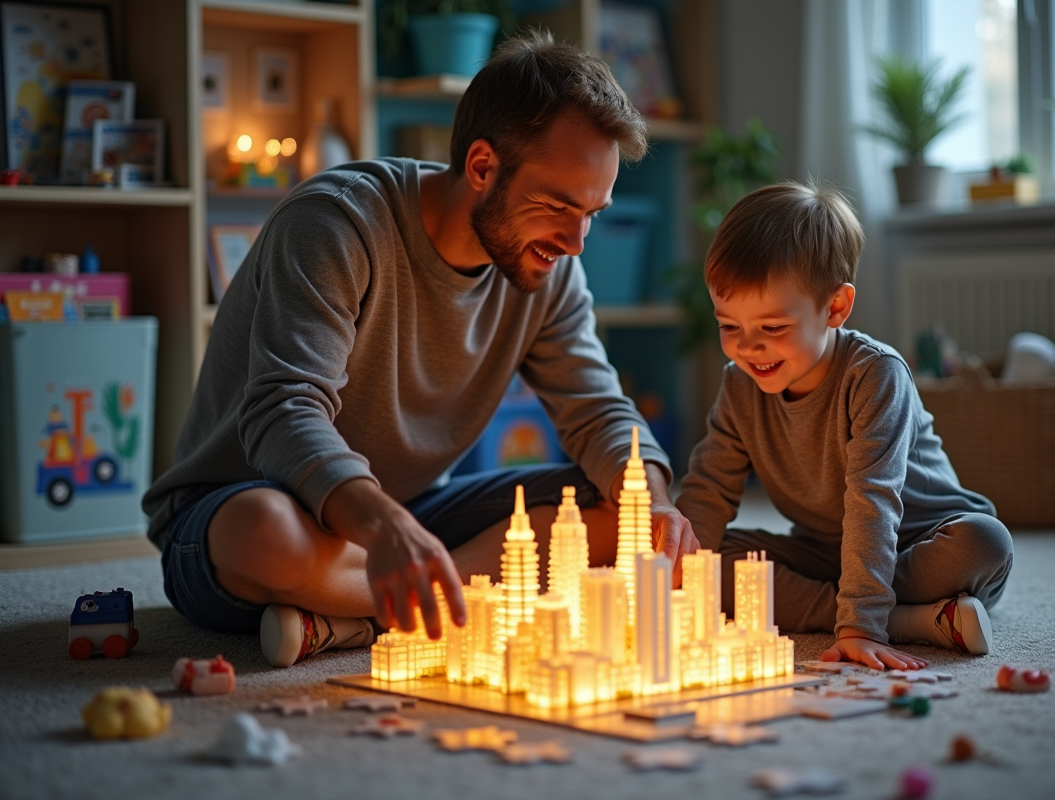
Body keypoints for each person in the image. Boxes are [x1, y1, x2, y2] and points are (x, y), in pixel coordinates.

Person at [143, 32, 698, 668]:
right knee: (270, 535)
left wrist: (651, 499)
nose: (575, 241)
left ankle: (354, 616)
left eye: (592, 212)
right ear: (483, 167)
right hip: (239, 509)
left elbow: (598, 410)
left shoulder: (550, 268)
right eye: (558, 205)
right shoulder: (336, 224)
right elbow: (283, 412)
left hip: (408, 515)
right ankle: (417, 601)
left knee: (611, 514)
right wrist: (382, 527)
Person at [674, 181, 1012, 670]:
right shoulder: (739, 384)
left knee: (986, 541)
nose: (748, 348)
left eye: (772, 328)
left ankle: (870, 612)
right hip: (827, 553)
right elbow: (707, 490)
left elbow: (874, 500)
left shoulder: (875, 374)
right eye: (729, 326)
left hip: (917, 543)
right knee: (706, 561)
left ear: (835, 308)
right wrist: (673, 574)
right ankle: (909, 620)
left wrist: (861, 628)